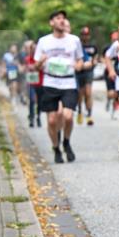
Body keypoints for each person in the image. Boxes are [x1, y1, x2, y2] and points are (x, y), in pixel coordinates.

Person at [35, 10, 84, 163]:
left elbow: (80, 60)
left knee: (68, 116)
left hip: (68, 82)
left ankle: (66, 142)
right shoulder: (43, 41)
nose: (62, 21)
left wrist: (78, 66)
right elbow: (36, 67)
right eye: (58, 18)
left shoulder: (74, 40)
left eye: (64, 18)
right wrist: (41, 62)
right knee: (51, 120)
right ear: (51, 23)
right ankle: (56, 148)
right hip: (50, 82)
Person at [76, 26, 99, 126]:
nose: (85, 36)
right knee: (80, 94)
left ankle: (89, 115)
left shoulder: (93, 47)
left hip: (89, 72)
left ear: (89, 36)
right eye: (83, 34)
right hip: (79, 72)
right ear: (81, 35)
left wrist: (93, 63)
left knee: (88, 92)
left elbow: (95, 59)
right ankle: (80, 111)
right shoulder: (77, 46)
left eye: (87, 34)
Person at [24, 40, 42, 127]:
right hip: (31, 83)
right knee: (32, 100)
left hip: (40, 83)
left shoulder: (40, 59)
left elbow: (42, 67)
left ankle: (38, 116)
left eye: (36, 49)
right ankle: (31, 117)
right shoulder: (27, 59)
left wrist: (35, 67)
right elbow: (26, 68)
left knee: (39, 101)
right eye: (32, 49)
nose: (34, 50)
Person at [104, 30, 119, 117]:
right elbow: (105, 57)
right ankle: (109, 99)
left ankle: (114, 110)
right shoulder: (109, 47)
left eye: (116, 39)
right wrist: (110, 70)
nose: (115, 40)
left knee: (117, 93)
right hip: (109, 72)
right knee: (111, 93)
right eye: (113, 39)